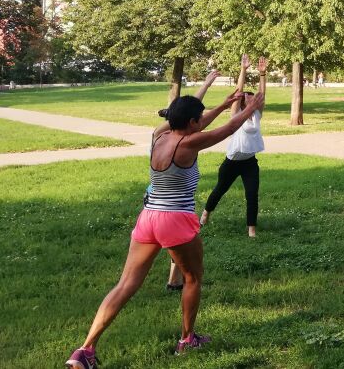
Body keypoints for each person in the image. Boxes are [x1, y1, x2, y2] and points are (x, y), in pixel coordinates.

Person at [65, 88, 264, 368]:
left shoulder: (159, 134)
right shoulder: (188, 145)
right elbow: (229, 128)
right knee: (193, 278)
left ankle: (85, 350)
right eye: (198, 119)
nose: (200, 122)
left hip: (148, 217)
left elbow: (201, 124)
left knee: (125, 284)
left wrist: (223, 104)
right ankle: (187, 339)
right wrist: (250, 106)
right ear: (192, 123)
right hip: (175, 220)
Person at [154, 69, 220, 292]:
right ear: (189, 120)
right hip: (174, 210)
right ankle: (179, 286)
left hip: (153, 206)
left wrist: (207, 85)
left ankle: (174, 280)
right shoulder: (184, 142)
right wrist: (225, 106)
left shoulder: (159, 135)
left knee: (131, 278)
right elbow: (201, 121)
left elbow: (191, 112)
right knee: (186, 253)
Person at [200, 55, 267, 237]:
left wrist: (262, 74)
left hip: (250, 163)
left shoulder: (257, 115)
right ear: (244, 102)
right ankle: (206, 213)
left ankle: (251, 229)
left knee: (252, 194)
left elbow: (262, 94)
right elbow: (238, 90)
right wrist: (243, 70)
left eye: (254, 98)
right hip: (232, 162)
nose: (252, 99)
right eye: (248, 98)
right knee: (220, 189)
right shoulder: (236, 114)